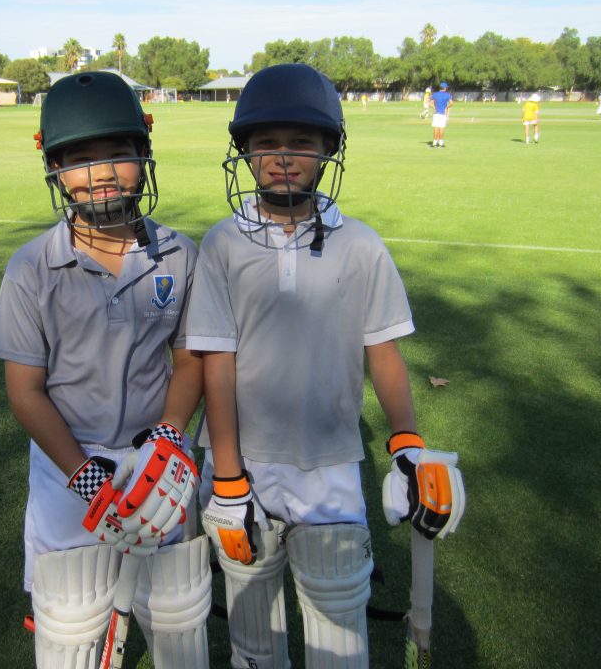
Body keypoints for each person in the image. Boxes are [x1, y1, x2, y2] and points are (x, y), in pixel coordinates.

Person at [186, 63, 465, 668]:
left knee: (339, 635)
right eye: (266, 144)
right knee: (254, 636)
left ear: (327, 150)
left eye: (301, 144)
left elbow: (383, 351)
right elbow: (216, 362)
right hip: (246, 466)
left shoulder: (360, 243)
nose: (282, 157)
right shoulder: (222, 244)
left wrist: (407, 443)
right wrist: (228, 475)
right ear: (245, 151)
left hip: (332, 464)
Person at [0, 71, 211, 668]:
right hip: (70, 469)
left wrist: (169, 434)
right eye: (81, 158)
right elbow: (26, 392)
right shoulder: (31, 267)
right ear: (54, 169)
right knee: (72, 627)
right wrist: (86, 475)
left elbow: (188, 360)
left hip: (158, 464)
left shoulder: (179, 254)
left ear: (145, 153)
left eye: (118, 152)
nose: (103, 170)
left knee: (178, 618)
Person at [430, 81, 453, 147]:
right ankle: (441, 143)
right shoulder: (447, 95)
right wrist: (447, 108)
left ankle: (434, 143)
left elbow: (428, 101)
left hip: (436, 113)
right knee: (441, 128)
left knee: (436, 128)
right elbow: (452, 103)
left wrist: (433, 107)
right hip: (443, 113)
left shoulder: (435, 94)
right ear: (445, 88)